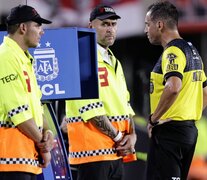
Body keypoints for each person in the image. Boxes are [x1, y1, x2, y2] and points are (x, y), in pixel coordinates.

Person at [64, 4, 137, 180]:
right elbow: (91, 109)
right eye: (104, 24)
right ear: (90, 26)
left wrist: (132, 135)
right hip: (93, 151)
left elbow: (125, 104)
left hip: (115, 151)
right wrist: (120, 137)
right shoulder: (81, 58)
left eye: (113, 24)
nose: (110, 29)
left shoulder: (114, 61)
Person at [144, 1, 207, 180]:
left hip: (169, 132)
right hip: (188, 131)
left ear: (159, 25)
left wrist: (154, 119)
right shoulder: (193, 51)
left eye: (147, 24)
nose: (145, 30)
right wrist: (186, 115)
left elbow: (173, 87)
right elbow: (205, 93)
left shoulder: (172, 52)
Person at [0, 5, 54, 180]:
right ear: (23, 28)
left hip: (27, 158)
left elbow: (36, 108)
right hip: (10, 159)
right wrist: (43, 145)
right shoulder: (5, 57)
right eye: (38, 25)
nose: (42, 31)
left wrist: (48, 132)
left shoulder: (24, 59)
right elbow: (19, 113)